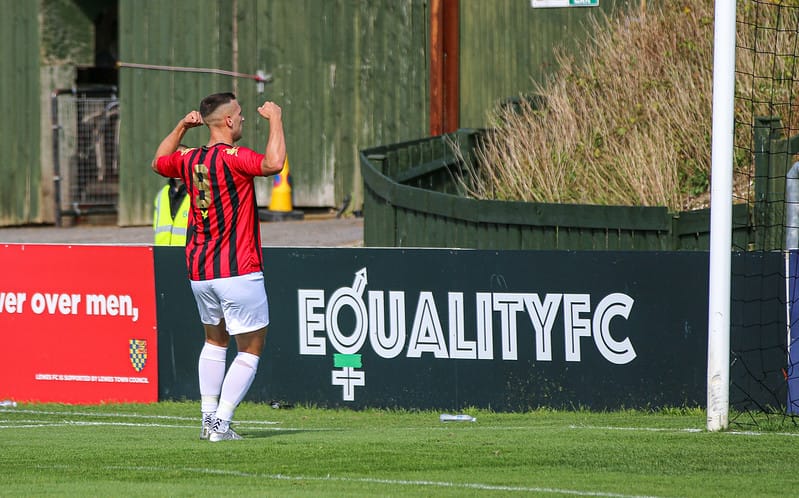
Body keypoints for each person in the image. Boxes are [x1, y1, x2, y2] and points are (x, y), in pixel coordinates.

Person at [151, 92, 286, 442]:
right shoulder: (234, 157)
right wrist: (276, 120)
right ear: (227, 121)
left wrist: (182, 125)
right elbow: (273, 164)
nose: (242, 119)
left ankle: (207, 418)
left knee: (214, 342)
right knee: (251, 347)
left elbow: (158, 161)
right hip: (238, 269)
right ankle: (220, 425)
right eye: (239, 114)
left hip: (200, 271)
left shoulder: (190, 158)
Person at [153, 145, 191, 246]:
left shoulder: (197, 192)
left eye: (181, 161)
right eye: (173, 160)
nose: (177, 165)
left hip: (188, 254)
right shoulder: (162, 194)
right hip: (163, 252)